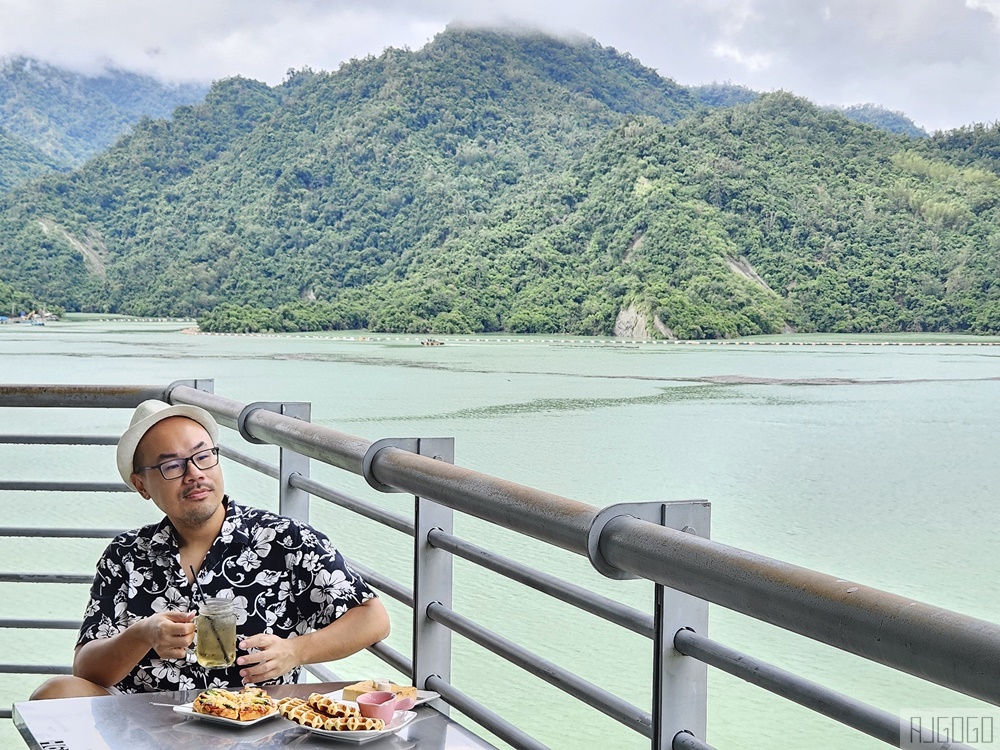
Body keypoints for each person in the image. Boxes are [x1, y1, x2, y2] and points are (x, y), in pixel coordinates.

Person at [31, 399, 389, 699]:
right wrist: (143, 634)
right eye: (172, 465)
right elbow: (87, 669)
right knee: (54, 694)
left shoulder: (282, 539)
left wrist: (295, 651)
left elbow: (373, 618)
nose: (194, 474)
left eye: (204, 456)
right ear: (142, 485)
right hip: (143, 725)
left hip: (251, 721)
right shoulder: (126, 554)